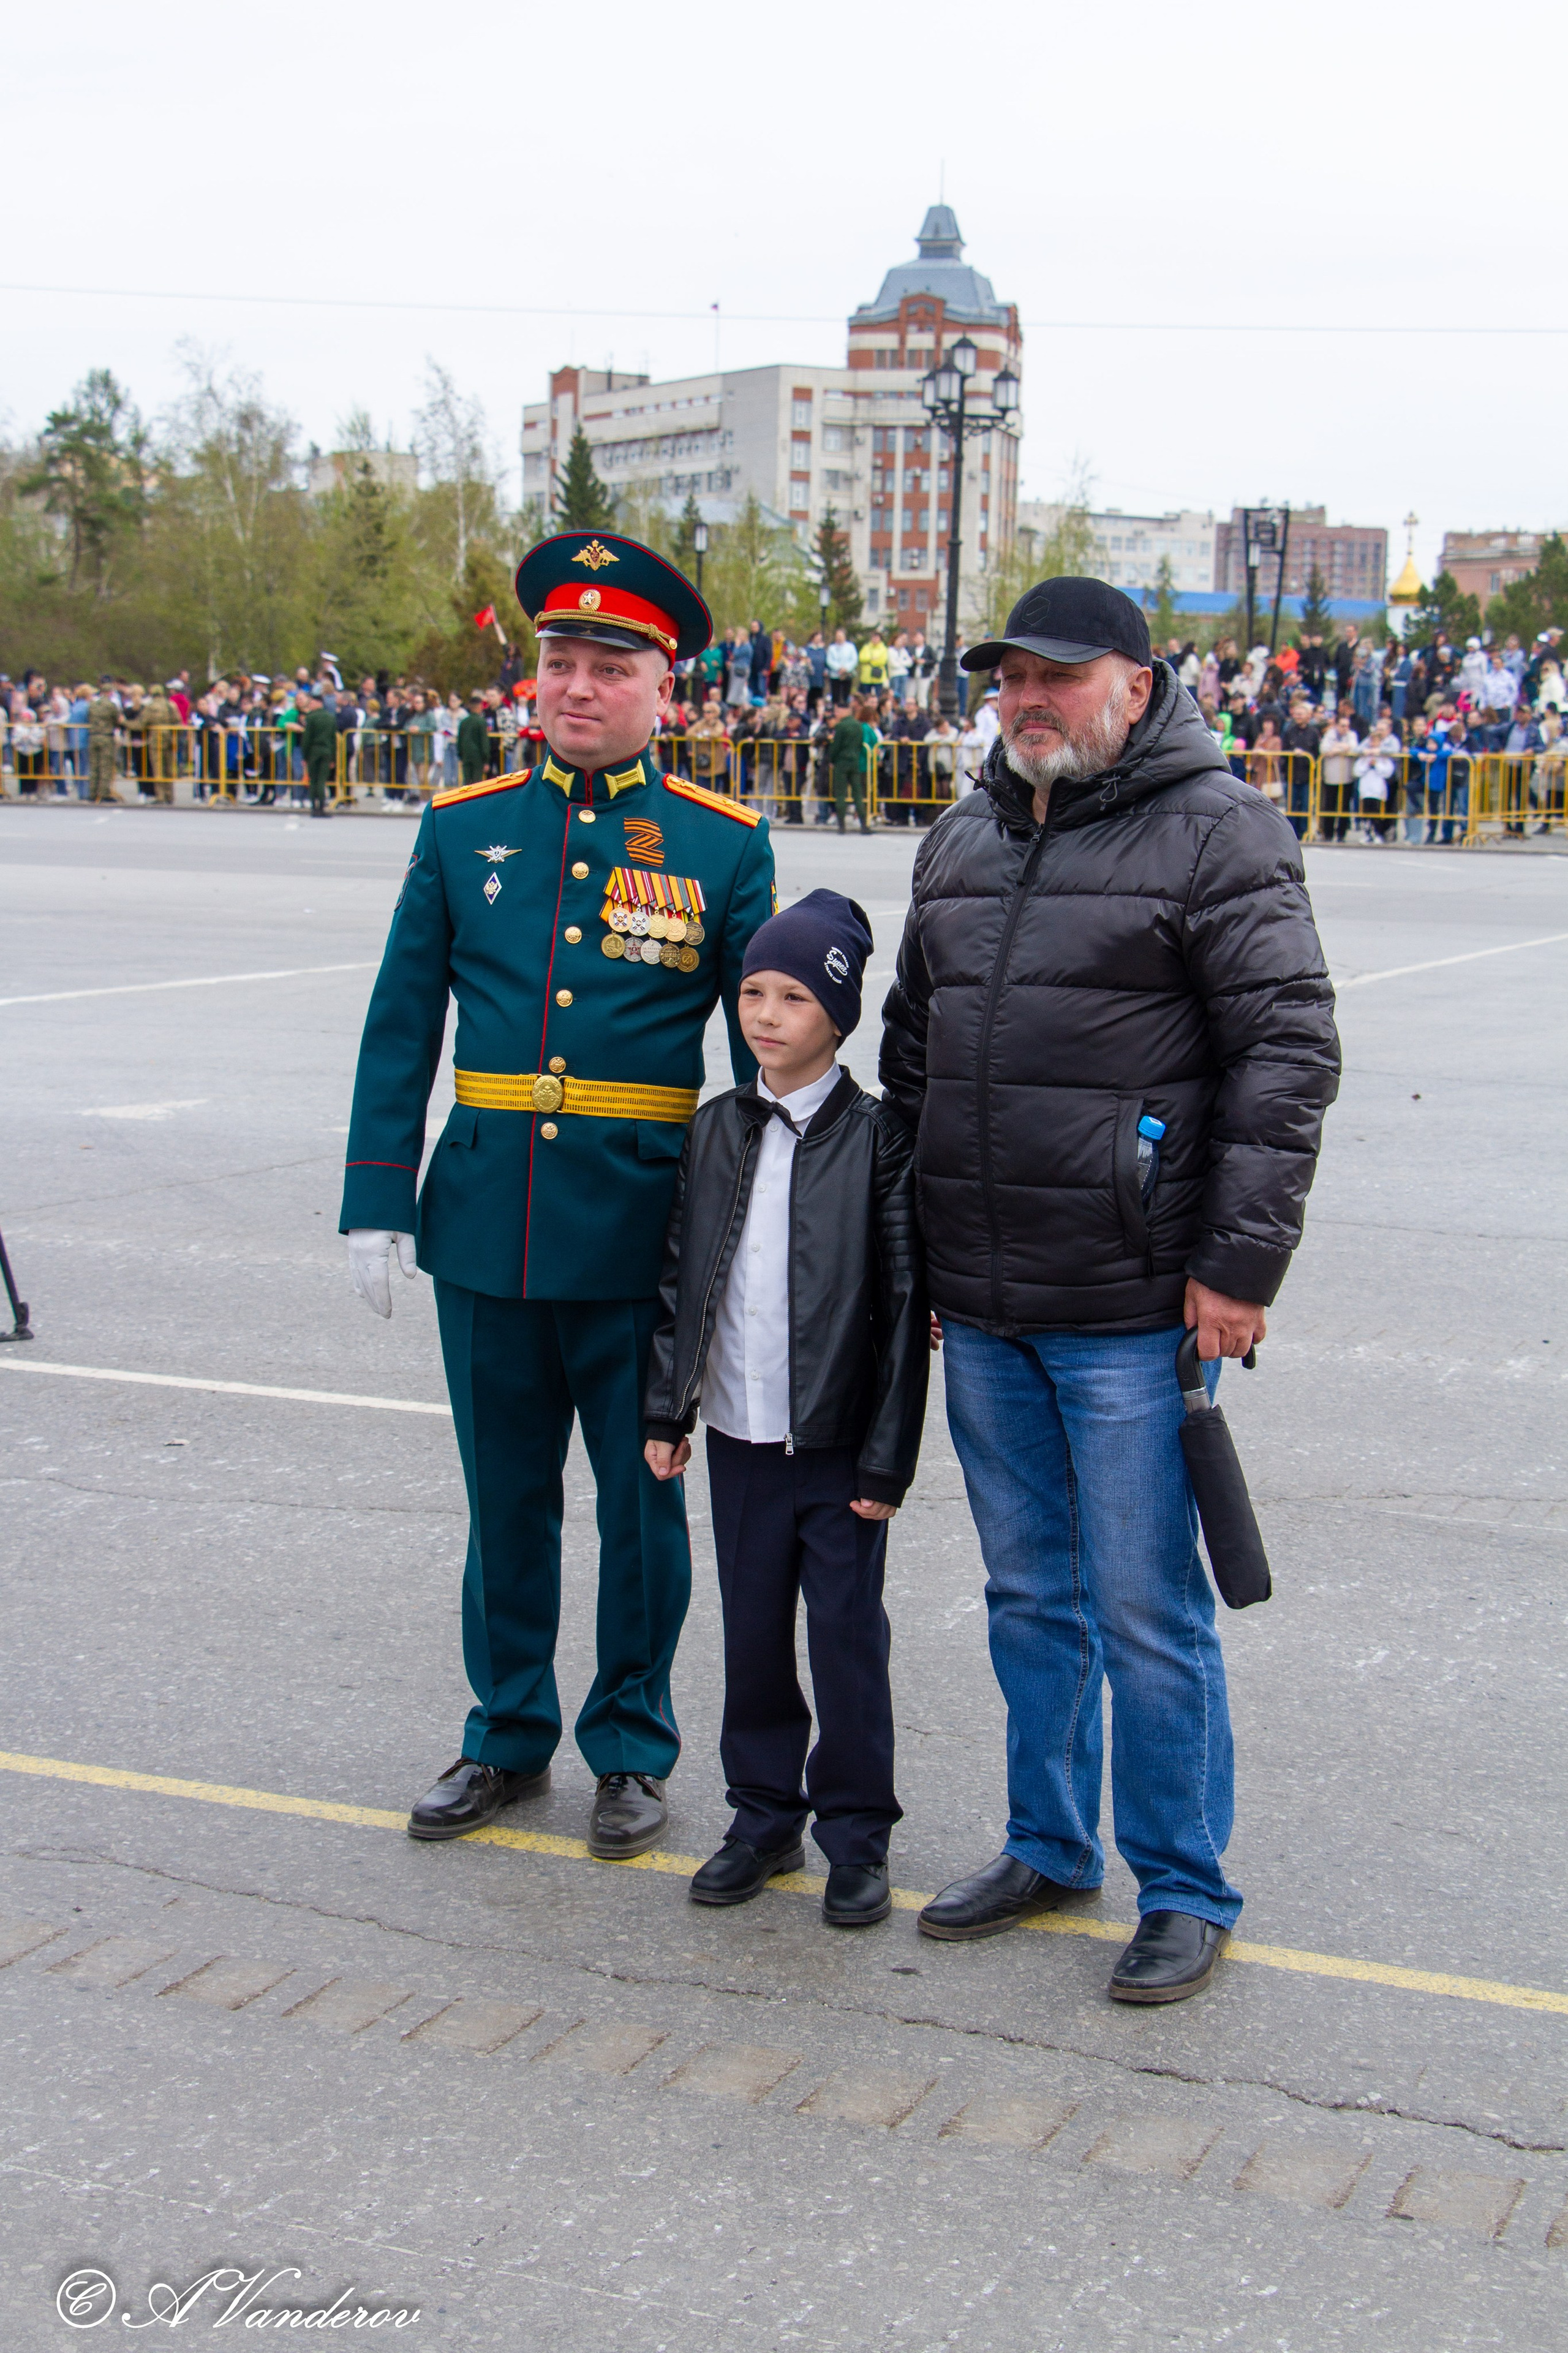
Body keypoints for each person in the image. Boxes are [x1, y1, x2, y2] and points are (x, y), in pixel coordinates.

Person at [880, 576, 1340, 2004]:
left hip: (1135, 1303)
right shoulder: (959, 836)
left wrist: (1234, 1264)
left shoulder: (1216, 829)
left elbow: (1284, 1051)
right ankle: (1046, 1842)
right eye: (1010, 675)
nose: (1029, 698)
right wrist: (920, 1259)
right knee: (1028, 1594)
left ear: (1135, 685)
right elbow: (912, 1057)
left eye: (1059, 676)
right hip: (986, 1301)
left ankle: (1184, 1883)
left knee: (1146, 1607)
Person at [340, 531, 776, 1863]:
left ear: (665, 689)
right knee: (504, 1499)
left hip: (639, 1234)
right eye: (557, 661)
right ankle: (505, 1730)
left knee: (638, 1508)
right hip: (482, 1216)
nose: (575, 687)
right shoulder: (463, 828)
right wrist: (377, 1194)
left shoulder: (720, 846)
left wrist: (767, 1232)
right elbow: (401, 1021)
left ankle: (631, 1747)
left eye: (607, 665)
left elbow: (767, 1046)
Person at [643, 891, 928, 1927]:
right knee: (753, 1629)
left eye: (795, 996)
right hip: (738, 1434)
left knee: (848, 1637)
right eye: (754, 991)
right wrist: (667, 1412)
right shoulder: (716, 1128)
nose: (766, 1014)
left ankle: (856, 1833)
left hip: (838, 1443)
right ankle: (762, 1814)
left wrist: (885, 1460)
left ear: (840, 1017)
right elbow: (682, 1279)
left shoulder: (879, 1139)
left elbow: (903, 1309)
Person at [829, 694, 871, 833]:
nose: (836, 714)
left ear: (843, 711)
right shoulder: (858, 726)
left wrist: (831, 759)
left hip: (842, 762)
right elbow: (860, 745)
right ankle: (864, 824)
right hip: (854, 761)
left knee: (841, 794)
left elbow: (836, 746)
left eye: (837, 711)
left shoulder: (841, 726)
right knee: (857, 793)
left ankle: (842, 826)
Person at [300, 692, 337, 818]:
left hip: (314, 752)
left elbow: (307, 739)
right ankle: (322, 807)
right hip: (327, 751)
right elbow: (333, 740)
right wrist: (333, 758)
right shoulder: (330, 718)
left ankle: (314, 808)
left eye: (312, 703)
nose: (310, 705)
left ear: (318, 703)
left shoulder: (311, 718)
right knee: (322, 781)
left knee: (314, 780)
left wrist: (305, 756)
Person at [87, 677, 121, 803]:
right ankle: (104, 793)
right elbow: (117, 720)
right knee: (105, 766)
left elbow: (89, 717)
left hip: (93, 736)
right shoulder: (111, 706)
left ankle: (93, 792)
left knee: (94, 766)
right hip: (106, 737)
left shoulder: (93, 705)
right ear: (110, 693)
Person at [456, 692, 490, 787]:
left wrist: (461, 755)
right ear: (480, 706)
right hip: (478, 756)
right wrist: (486, 760)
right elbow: (484, 742)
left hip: (466, 755)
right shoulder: (481, 722)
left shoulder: (464, 722)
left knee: (467, 782)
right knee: (477, 783)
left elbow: (460, 741)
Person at [826, 627, 858, 708]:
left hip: (847, 675)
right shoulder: (832, 648)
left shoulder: (851, 647)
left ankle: (846, 709)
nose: (839, 638)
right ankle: (835, 709)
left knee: (846, 695)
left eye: (841, 636)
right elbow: (829, 661)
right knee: (835, 695)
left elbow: (854, 659)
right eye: (838, 636)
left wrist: (846, 668)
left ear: (845, 636)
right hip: (835, 675)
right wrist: (839, 668)